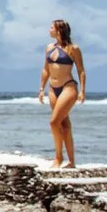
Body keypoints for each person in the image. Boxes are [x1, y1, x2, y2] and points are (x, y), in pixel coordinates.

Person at [38, 18, 86, 169]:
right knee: (64, 124)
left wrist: (82, 91)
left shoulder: (73, 48)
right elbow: (46, 69)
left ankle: (58, 157)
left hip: (68, 87)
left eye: (51, 27)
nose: (49, 30)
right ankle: (71, 161)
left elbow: (81, 70)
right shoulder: (49, 47)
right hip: (53, 88)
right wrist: (41, 88)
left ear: (59, 30)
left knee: (54, 122)